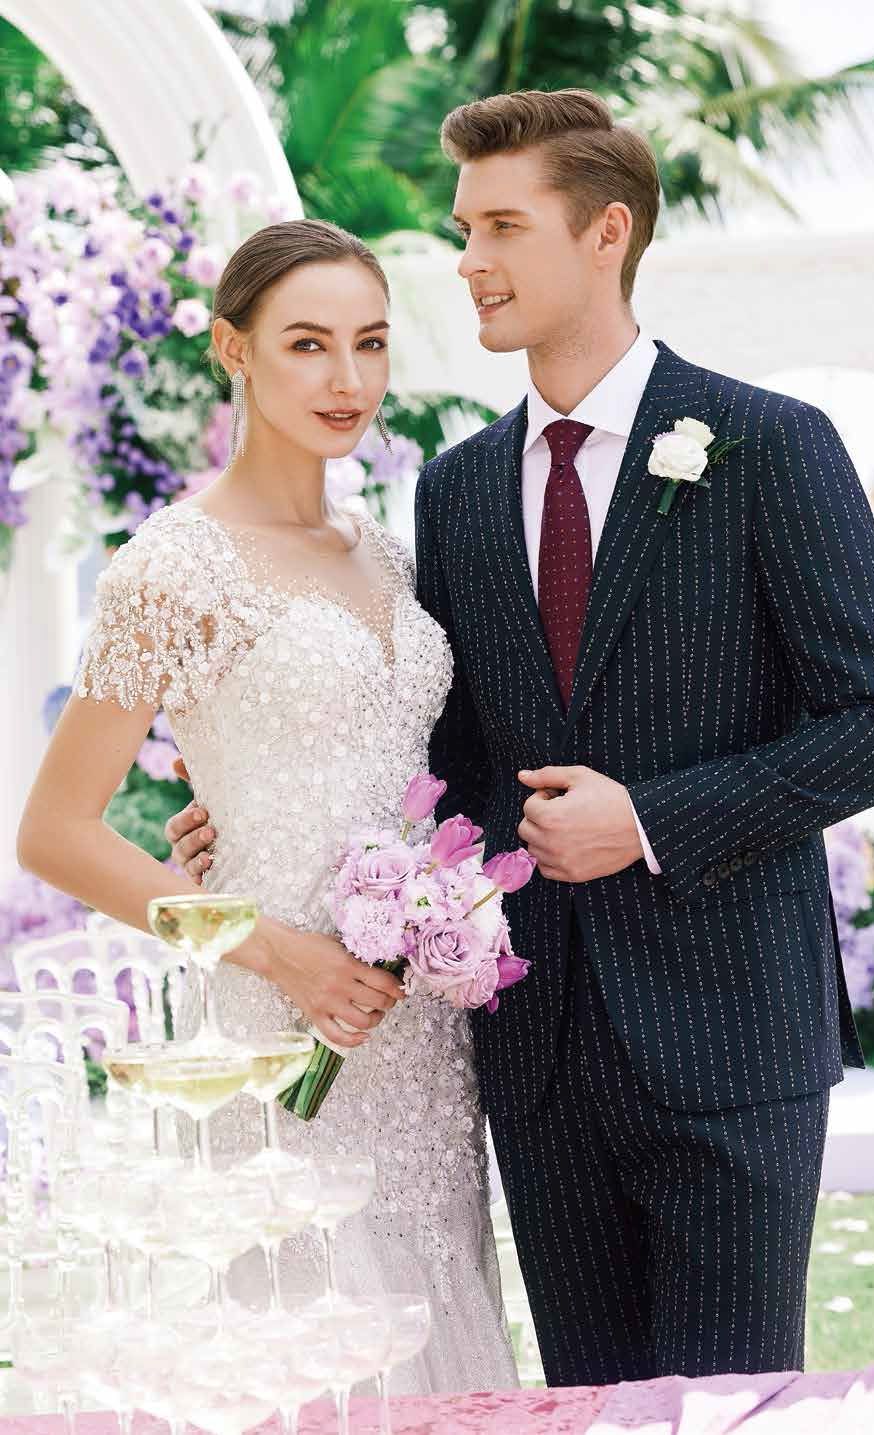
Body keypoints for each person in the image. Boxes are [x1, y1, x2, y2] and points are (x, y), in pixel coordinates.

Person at [167, 91, 874, 1386]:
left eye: (500, 225)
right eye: (465, 226)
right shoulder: (458, 484)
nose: (466, 258)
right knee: (582, 1406)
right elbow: (453, 751)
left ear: (603, 234)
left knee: (730, 1407)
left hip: (730, 1044)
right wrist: (262, 809)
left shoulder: (766, 445)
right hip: (537, 1053)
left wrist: (644, 817)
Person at [17, 218, 518, 1395]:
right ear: (233, 351)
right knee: (307, 1334)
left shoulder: (387, 555)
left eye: (370, 344)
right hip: (280, 1022)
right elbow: (57, 829)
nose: (347, 380)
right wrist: (277, 949)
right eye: (306, 344)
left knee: (434, 1330)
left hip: (420, 1037)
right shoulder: (172, 566)